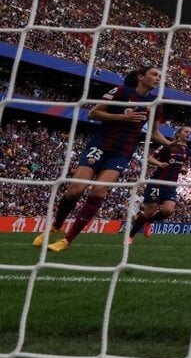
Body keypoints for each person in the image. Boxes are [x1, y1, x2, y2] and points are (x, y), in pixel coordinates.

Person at [34, 66, 169, 252]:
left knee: (99, 190)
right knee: (76, 190)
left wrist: (171, 144)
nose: (158, 78)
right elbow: (93, 113)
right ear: (140, 76)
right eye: (154, 74)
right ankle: (57, 225)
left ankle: (67, 240)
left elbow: (154, 133)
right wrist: (121, 117)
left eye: (160, 76)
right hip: (99, 145)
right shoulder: (121, 91)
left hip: (122, 152)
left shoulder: (156, 102)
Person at [126, 126, 191, 243]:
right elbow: (149, 158)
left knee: (168, 210)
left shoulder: (188, 151)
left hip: (171, 185)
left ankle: (149, 222)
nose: (188, 134)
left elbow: (177, 164)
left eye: (190, 133)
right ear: (178, 133)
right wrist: (160, 163)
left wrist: (181, 169)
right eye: (186, 131)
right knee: (149, 212)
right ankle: (130, 236)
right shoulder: (168, 146)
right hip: (156, 183)